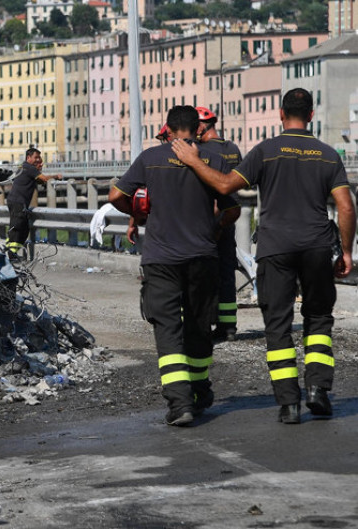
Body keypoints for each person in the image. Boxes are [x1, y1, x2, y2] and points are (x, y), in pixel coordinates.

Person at [172, 88, 356, 424]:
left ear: (281, 115)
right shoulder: (329, 155)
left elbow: (227, 186)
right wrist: (345, 250)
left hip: (275, 250)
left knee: (278, 325)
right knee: (318, 320)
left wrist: (194, 161)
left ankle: (288, 404)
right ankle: (318, 390)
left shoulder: (266, 151)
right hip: (316, 248)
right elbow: (345, 206)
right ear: (311, 115)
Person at [109, 106, 237, 426]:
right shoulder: (214, 159)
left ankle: (180, 404)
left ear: (168, 127)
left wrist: (139, 216)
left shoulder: (150, 158)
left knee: (167, 328)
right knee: (198, 325)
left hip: (161, 258)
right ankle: (200, 389)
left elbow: (115, 195)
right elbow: (231, 208)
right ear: (197, 129)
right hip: (202, 255)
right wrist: (216, 228)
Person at [195, 106, 243, 342]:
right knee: (227, 271)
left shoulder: (202, 151)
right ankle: (229, 325)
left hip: (208, 218)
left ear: (203, 126)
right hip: (229, 216)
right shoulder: (233, 149)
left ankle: (204, 322)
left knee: (203, 272)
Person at [6, 148, 62, 260]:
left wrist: (40, 172)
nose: (38, 160)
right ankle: (11, 254)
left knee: (20, 227)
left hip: (14, 200)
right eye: (36, 157)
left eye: (39, 158)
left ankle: (10, 252)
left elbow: (39, 180)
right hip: (18, 202)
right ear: (28, 158)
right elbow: (44, 179)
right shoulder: (30, 168)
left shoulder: (24, 167)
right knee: (19, 228)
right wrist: (57, 176)